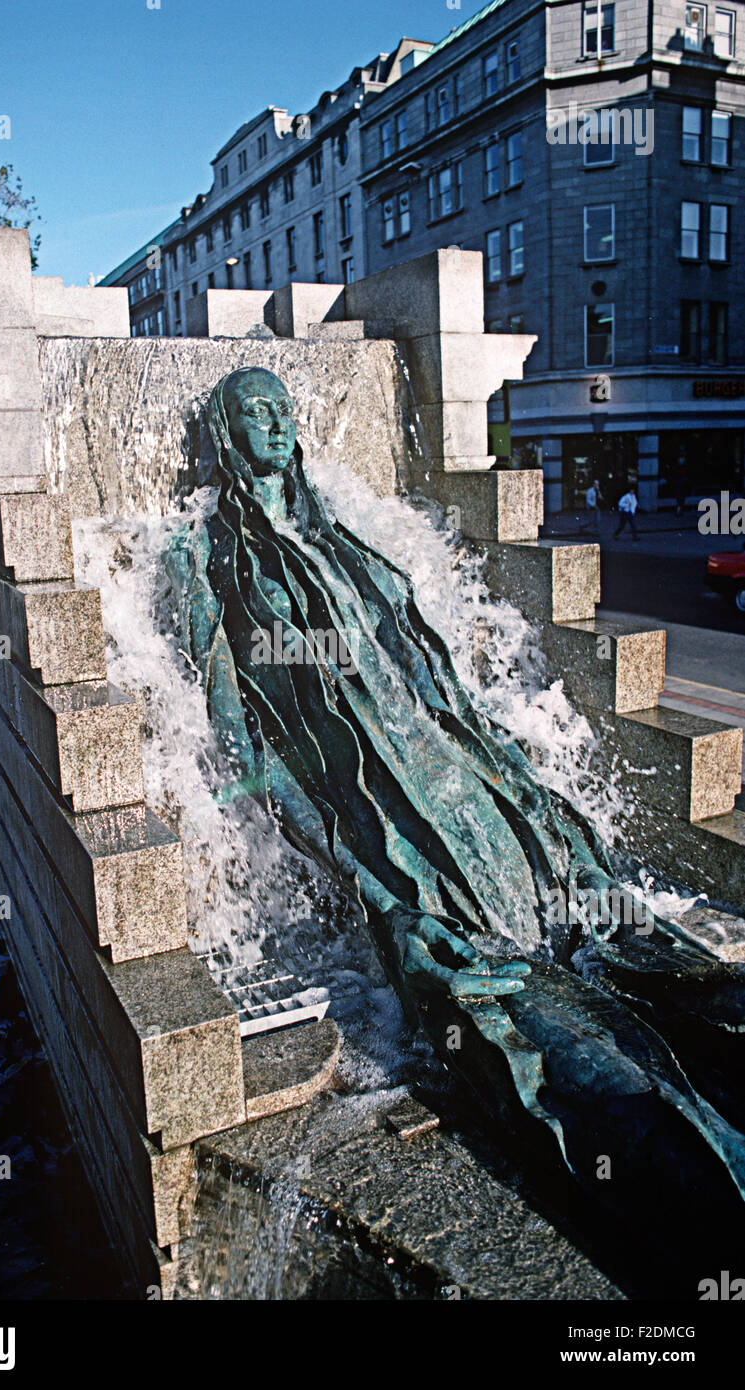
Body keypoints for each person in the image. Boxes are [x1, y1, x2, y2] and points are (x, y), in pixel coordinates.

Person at [162, 367, 745, 1248]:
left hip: (514, 830)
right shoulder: (203, 560)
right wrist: (386, 904)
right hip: (419, 872)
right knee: (620, 1101)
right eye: (255, 411)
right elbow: (247, 759)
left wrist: (564, 829)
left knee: (715, 1000)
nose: (277, 423)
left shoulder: (349, 542)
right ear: (225, 431)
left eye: (285, 406)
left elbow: (457, 705)